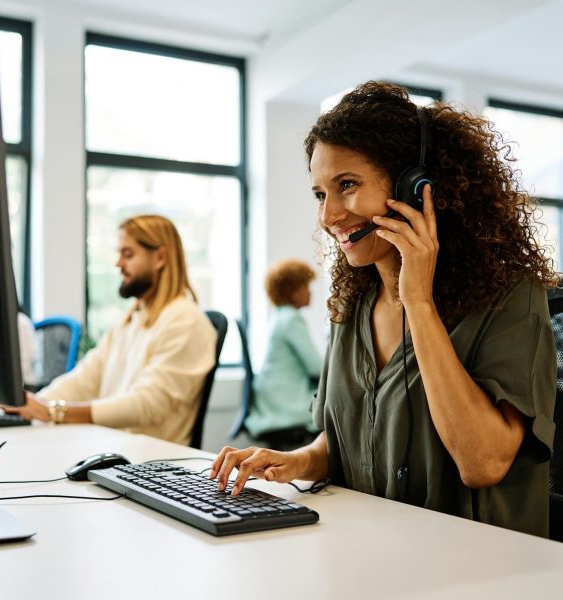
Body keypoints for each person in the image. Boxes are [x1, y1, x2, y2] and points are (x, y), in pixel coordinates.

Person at [211, 82, 557, 538]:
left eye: (347, 185)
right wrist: (296, 461)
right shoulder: (354, 302)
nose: (328, 215)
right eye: (320, 194)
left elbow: (484, 463)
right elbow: (350, 443)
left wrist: (418, 302)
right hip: (371, 549)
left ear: (416, 188)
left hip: (478, 567)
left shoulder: (509, 297)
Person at [3, 214, 216, 445]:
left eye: (128, 254)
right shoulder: (129, 320)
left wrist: (55, 412)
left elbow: (147, 404)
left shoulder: (185, 321)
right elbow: (85, 379)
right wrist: (29, 406)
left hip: (150, 461)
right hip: (114, 448)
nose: (118, 264)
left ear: (160, 258)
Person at [245, 259, 322, 449]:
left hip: (269, 402)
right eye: (305, 286)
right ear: (292, 291)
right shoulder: (291, 319)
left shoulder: (278, 316)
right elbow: (317, 368)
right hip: (287, 406)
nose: (310, 291)